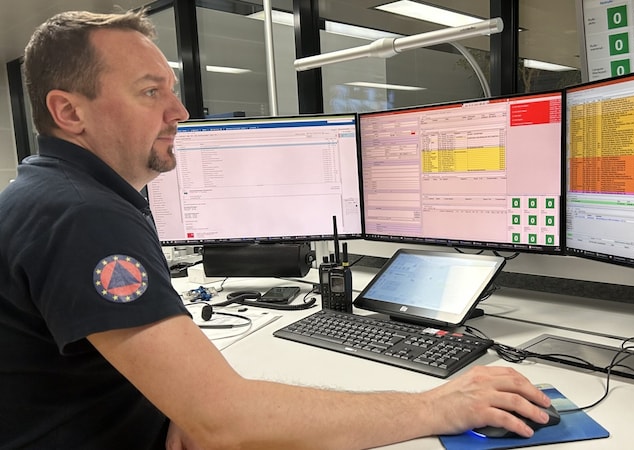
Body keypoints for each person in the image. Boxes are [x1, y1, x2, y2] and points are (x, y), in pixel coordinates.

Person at [0, 9, 553, 449]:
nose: (180, 111)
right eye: (150, 92)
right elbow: (228, 421)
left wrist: (182, 412)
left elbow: (206, 414)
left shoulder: (55, 192)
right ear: (69, 112)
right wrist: (439, 406)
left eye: (172, 89)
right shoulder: (81, 215)